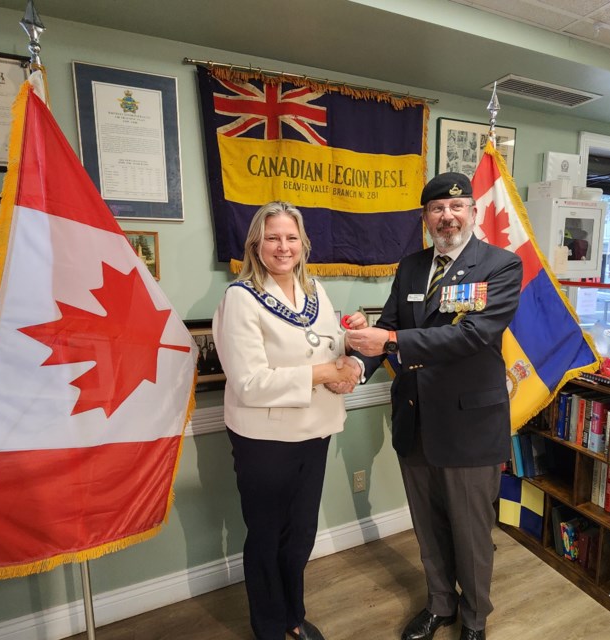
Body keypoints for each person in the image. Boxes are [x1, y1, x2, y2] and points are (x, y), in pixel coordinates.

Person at [344, 173, 522, 640]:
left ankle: (475, 619)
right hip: (415, 417)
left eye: (456, 208)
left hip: (469, 424)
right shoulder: (411, 267)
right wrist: (362, 356)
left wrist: (391, 338)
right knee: (428, 526)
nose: (447, 217)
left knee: (471, 531)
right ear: (425, 218)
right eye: (437, 209)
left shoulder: (500, 266)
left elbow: (473, 334)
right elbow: (389, 326)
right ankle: (440, 603)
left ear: (473, 214)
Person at [212, 201, 360, 640]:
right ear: (255, 244)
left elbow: (330, 347)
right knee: (267, 537)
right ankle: (270, 626)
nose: (283, 246)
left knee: (300, 535)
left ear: (303, 244)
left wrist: (347, 363)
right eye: (273, 237)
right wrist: (322, 374)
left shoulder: (314, 289)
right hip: (265, 439)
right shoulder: (239, 299)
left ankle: (293, 614)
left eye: (291, 238)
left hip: (315, 432)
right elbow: (250, 382)